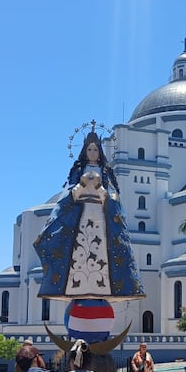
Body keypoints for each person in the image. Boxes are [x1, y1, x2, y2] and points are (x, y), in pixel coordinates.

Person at [33, 128, 145, 301]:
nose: (92, 153)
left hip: (100, 216)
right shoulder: (78, 170)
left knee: (101, 251)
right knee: (79, 252)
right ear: (85, 151)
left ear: (100, 152)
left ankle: (102, 286)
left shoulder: (106, 171)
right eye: (89, 149)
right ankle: (77, 286)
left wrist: (100, 188)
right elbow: (68, 193)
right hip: (81, 215)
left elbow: (113, 195)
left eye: (95, 149)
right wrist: (81, 185)